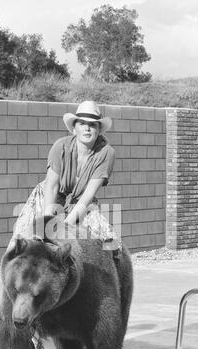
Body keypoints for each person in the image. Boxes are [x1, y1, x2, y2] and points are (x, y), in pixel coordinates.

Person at [8, 100, 121, 254]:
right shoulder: (60, 146)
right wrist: (48, 223)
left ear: (99, 130)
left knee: (112, 245)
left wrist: (66, 225)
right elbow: (52, 186)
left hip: (82, 202)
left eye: (93, 124)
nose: (87, 128)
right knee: (20, 239)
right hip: (49, 196)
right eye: (82, 123)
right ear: (74, 129)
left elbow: (88, 195)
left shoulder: (106, 153)